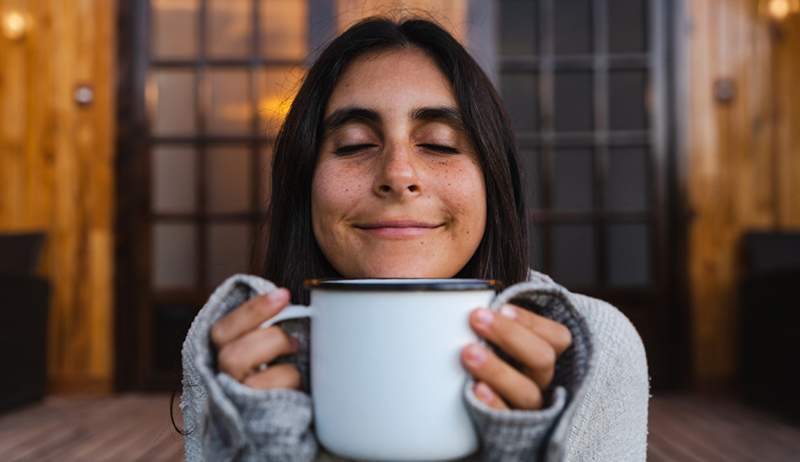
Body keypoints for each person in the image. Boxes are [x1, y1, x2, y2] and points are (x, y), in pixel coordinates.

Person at [180, 16, 649, 462]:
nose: (398, 174)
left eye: (440, 144)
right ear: (304, 181)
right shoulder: (239, 341)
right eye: (355, 145)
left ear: (493, 182)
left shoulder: (592, 345)